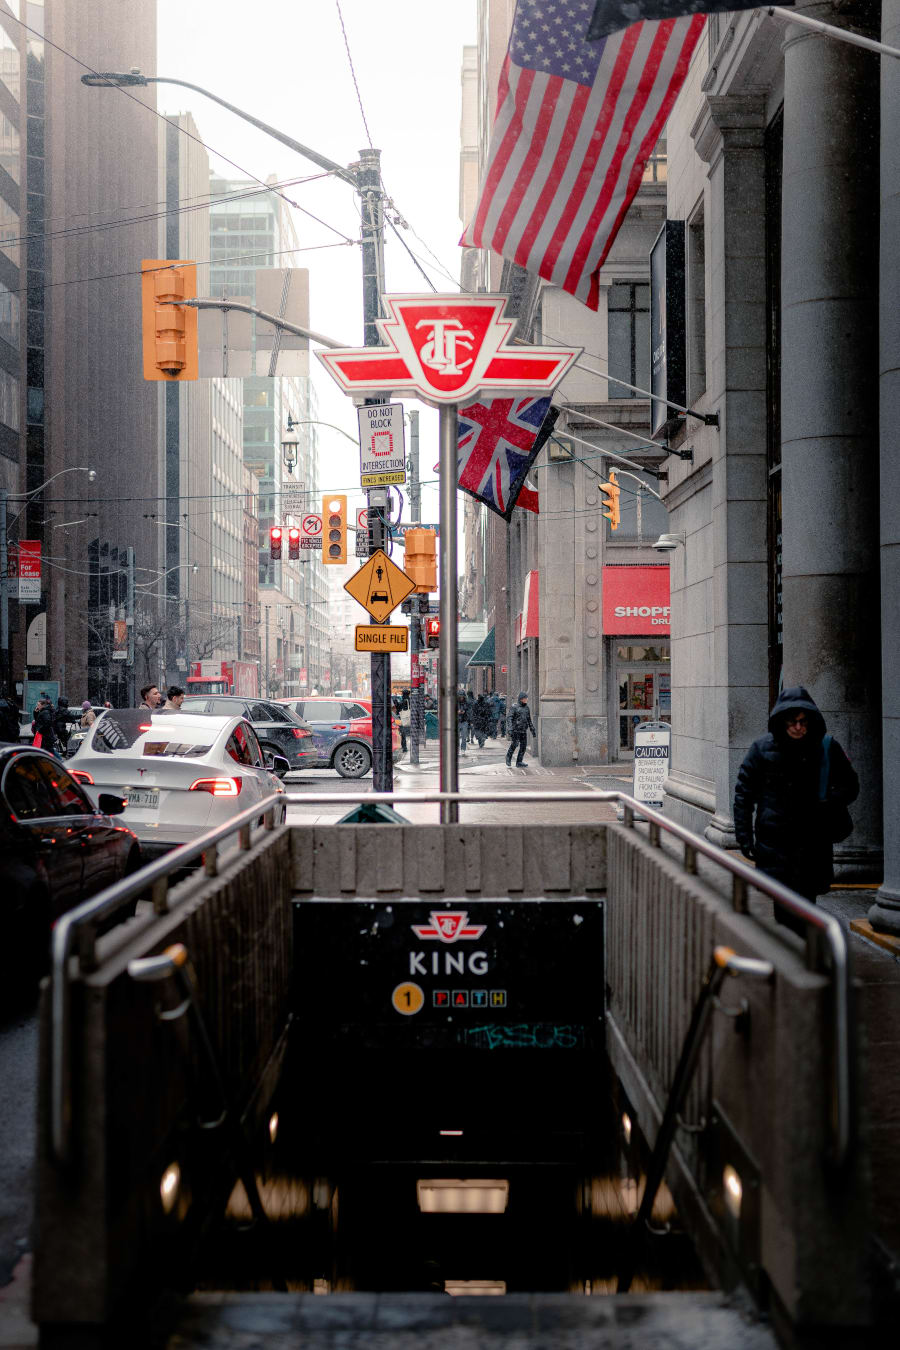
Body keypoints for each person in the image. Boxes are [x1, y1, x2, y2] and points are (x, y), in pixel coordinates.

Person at [733, 686, 859, 934]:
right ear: (782, 721)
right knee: (784, 910)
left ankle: (803, 950)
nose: (798, 727)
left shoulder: (826, 747)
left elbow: (850, 785)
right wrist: (744, 836)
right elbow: (744, 795)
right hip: (775, 845)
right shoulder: (761, 749)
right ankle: (795, 949)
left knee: (806, 906)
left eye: (803, 721)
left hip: (811, 843)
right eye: (793, 722)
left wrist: (828, 801)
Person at [506, 690, 536, 768]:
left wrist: (532, 729)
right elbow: (509, 718)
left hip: (523, 730)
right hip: (516, 730)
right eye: (525, 698)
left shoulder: (527, 708)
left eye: (526, 698)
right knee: (514, 744)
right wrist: (510, 728)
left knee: (523, 747)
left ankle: (519, 762)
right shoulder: (514, 707)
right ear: (521, 699)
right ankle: (508, 758)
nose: (526, 699)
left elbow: (529, 720)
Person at [457, 689, 468, 754]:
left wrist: (465, 712)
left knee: (464, 736)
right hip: (457, 721)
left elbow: (469, 711)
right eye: (460, 696)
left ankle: (463, 748)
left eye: (462, 696)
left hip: (464, 721)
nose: (461, 698)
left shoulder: (466, 703)